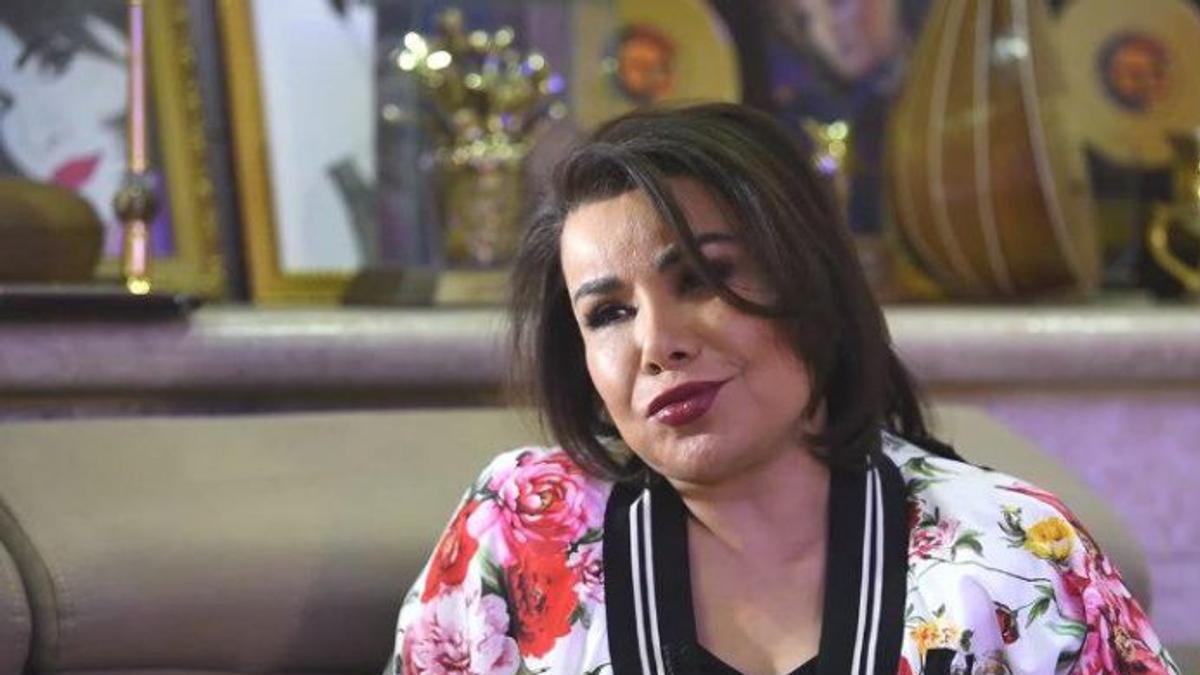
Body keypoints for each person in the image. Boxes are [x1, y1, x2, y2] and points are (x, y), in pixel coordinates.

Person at [387, 103, 1177, 675]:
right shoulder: (519, 530)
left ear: (808, 284)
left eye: (702, 277)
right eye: (609, 313)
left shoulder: (1011, 552)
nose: (658, 343)